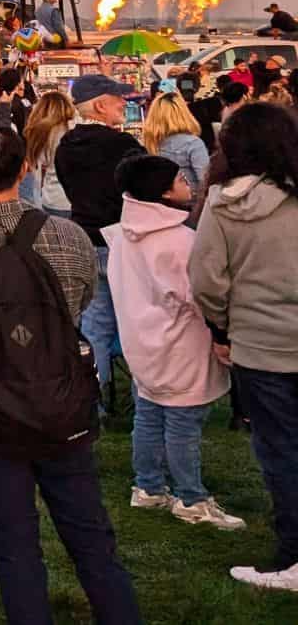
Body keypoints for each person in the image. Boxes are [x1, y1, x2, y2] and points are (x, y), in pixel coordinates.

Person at [0, 123, 139, 625]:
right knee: (91, 536)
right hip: (62, 395)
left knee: (14, 542)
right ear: (25, 169)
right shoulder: (66, 235)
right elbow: (79, 301)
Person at [191, 103, 298, 592]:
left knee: (282, 453)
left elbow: (207, 281)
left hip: (261, 346)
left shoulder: (224, 203)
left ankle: (294, 557)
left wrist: (221, 329)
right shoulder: (228, 201)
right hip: (259, 342)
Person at [105, 153, 242, 531]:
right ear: (163, 192)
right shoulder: (179, 241)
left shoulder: (123, 235)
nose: (189, 185)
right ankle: (191, 498)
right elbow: (202, 296)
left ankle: (148, 487)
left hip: (141, 344)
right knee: (183, 423)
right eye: (181, 180)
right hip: (180, 345)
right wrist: (221, 335)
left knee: (148, 415)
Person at [56, 74, 145, 401]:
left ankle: (95, 401)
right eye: (118, 97)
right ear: (100, 105)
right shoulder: (122, 146)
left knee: (94, 325)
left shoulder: (66, 146)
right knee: (136, 325)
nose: (125, 103)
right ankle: (145, 399)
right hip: (122, 242)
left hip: (85, 241)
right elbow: (146, 191)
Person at [19, 87, 76, 216]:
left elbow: (36, 173)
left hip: (51, 198)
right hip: (74, 198)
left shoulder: (39, 133)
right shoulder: (75, 129)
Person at [142, 90, 210, 198]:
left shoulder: (150, 144)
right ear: (183, 112)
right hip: (191, 205)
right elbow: (205, 181)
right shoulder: (193, 143)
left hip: (163, 206)